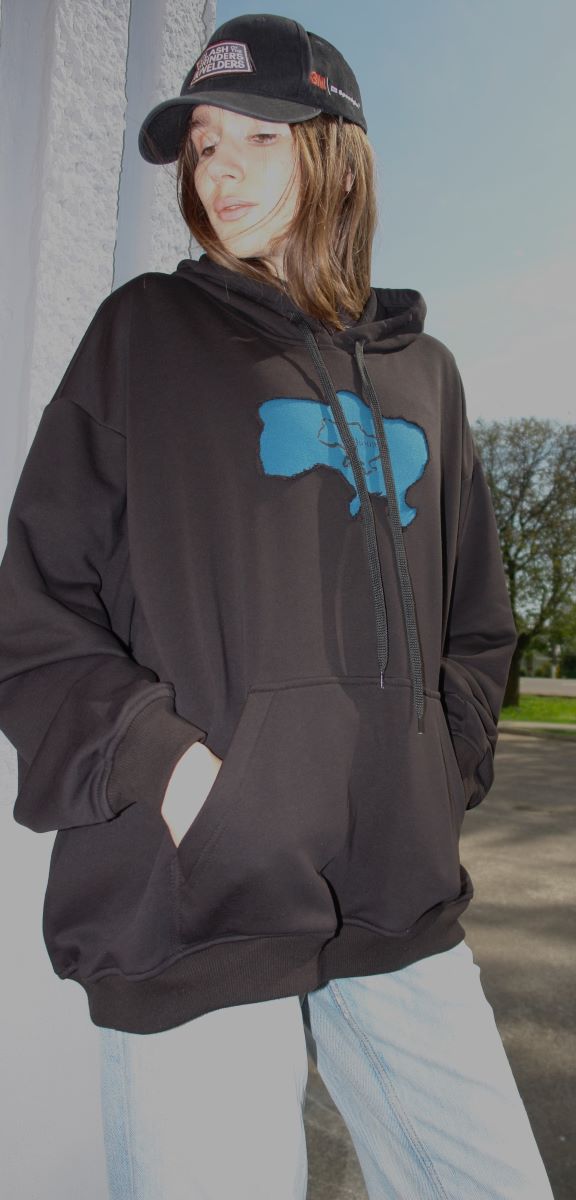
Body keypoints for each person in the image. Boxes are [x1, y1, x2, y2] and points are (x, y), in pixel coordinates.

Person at [0, 11, 555, 1200]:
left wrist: (437, 765)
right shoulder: (143, 338)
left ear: (336, 153)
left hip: (397, 896)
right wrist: (182, 778)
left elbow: (476, 624)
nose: (223, 169)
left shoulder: (428, 376)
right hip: (197, 900)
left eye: (260, 134)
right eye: (205, 143)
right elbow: (35, 609)